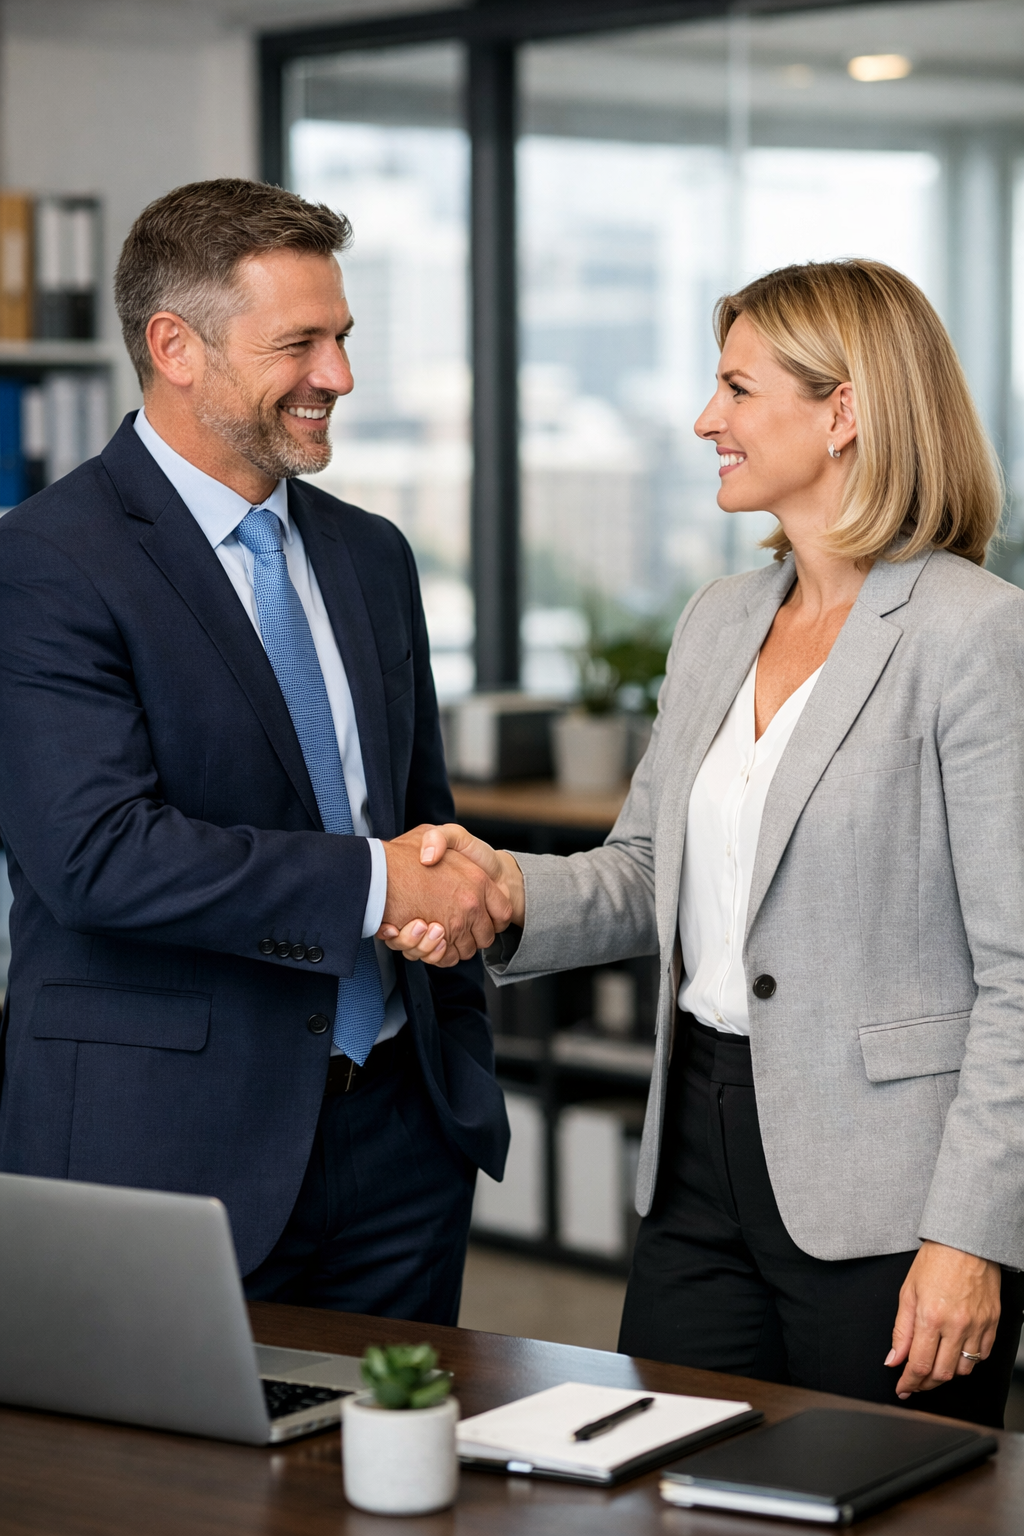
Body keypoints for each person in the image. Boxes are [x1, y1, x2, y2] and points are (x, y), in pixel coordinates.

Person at [384, 258, 1024, 1426]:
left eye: (736, 388)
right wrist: (501, 889)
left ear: (842, 411)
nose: (702, 420)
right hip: (696, 1156)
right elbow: (646, 872)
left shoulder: (973, 634)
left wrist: (971, 1235)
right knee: (666, 1477)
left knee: (878, 1494)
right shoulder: (721, 619)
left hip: (889, 1192)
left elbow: (1019, 973)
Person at [0, 178, 512, 1324]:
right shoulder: (41, 563)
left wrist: (453, 1045)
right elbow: (96, 857)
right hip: (168, 1147)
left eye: (343, 338)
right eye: (300, 343)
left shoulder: (372, 556)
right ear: (174, 348)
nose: (339, 375)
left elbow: (416, 818)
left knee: (402, 1442)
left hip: (402, 1137)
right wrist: (380, 886)